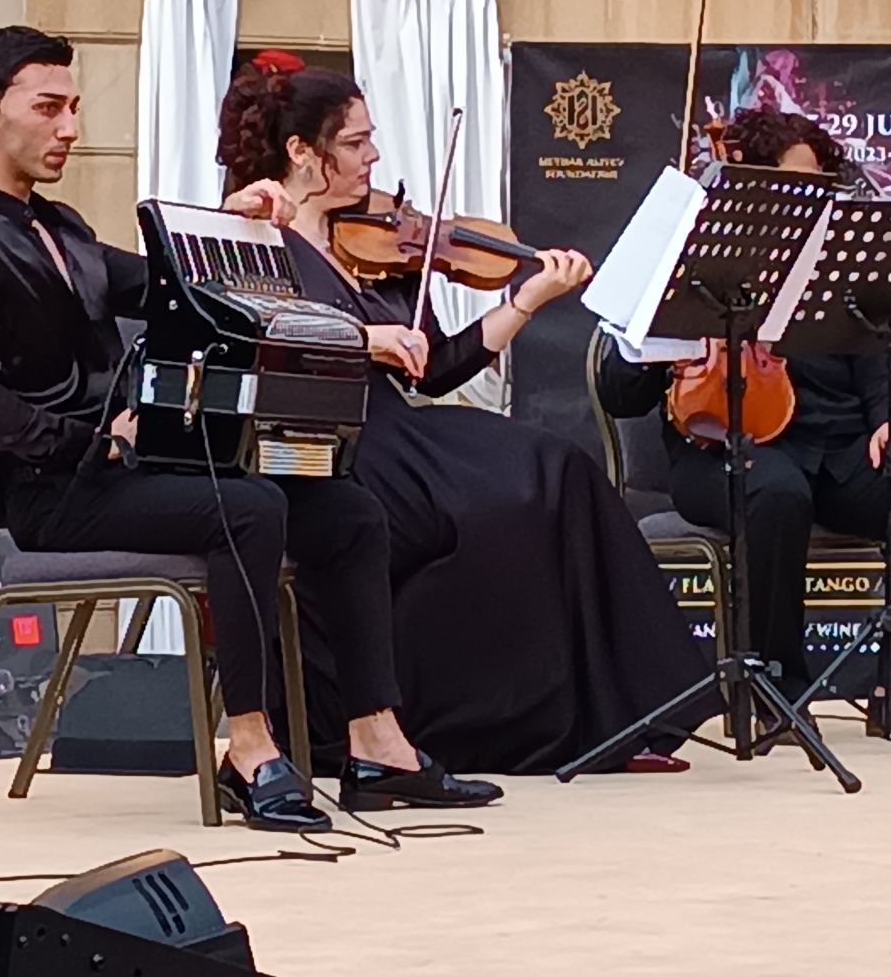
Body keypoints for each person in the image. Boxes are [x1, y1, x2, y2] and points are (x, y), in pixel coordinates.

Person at [0, 26, 502, 829]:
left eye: (74, 106)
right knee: (250, 507)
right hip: (52, 492)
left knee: (350, 510)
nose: (70, 127)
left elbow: (170, 290)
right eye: (49, 107)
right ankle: (248, 750)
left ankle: (376, 743)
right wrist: (92, 440)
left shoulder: (64, 230)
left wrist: (229, 222)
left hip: (117, 470)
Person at [216, 55, 719, 776]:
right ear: (302, 151)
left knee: (560, 470)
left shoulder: (360, 242)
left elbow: (437, 366)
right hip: (340, 444)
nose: (374, 156)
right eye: (355, 142)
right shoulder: (257, 234)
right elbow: (258, 343)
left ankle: (616, 719)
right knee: (514, 497)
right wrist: (360, 338)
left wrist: (526, 301)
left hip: (401, 429)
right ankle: (494, 728)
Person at [597, 106, 890, 719]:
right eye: (799, 187)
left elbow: (873, 353)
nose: (815, 201)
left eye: (822, 187)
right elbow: (622, 395)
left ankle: (888, 690)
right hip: (722, 449)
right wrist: (647, 322)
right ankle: (780, 685)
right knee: (776, 493)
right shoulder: (696, 264)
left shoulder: (833, 261)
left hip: (838, 450)